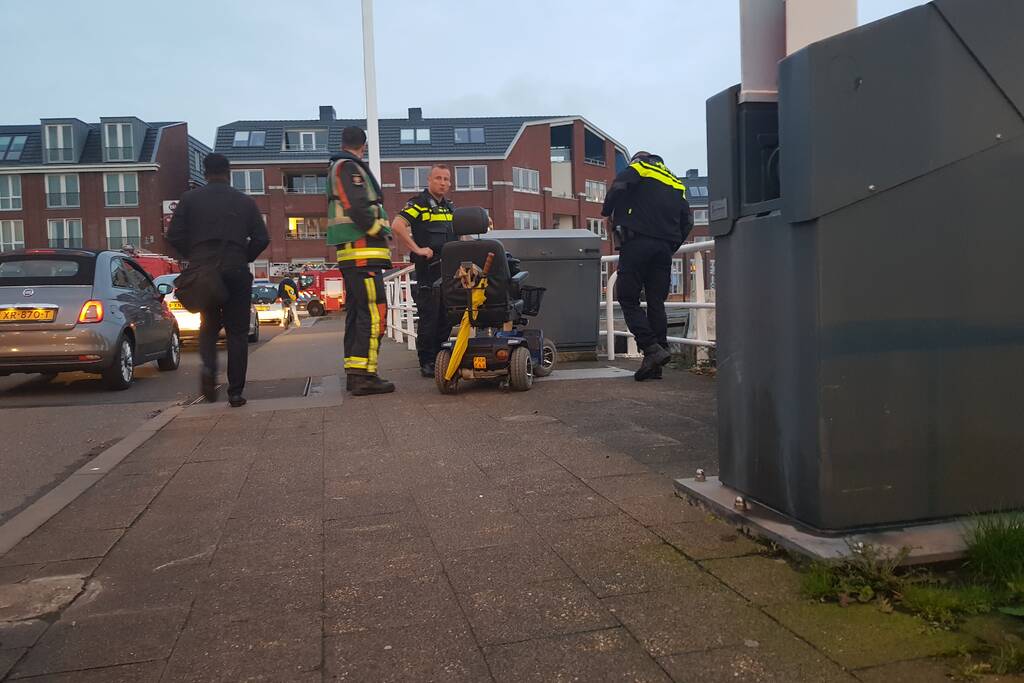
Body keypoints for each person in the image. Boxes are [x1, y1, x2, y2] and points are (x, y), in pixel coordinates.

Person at [167, 153, 269, 406]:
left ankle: (209, 372)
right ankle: (235, 392)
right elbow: (262, 238)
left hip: (204, 271)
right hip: (235, 269)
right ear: (229, 172)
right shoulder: (245, 202)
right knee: (237, 333)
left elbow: (173, 235)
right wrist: (242, 256)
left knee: (208, 325)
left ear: (205, 172)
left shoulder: (190, 199)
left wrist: (196, 255)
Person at [602, 151, 692, 381]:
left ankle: (651, 348)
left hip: (637, 243)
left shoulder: (640, 168)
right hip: (663, 249)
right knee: (656, 303)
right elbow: (688, 221)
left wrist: (606, 214)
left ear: (637, 159)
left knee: (627, 298)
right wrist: (671, 244)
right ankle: (655, 364)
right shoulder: (675, 181)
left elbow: (618, 186)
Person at [327, 126, 395, 396]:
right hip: (362, 254)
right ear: (363, 146)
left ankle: (356, 372)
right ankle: (365, 375)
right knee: (373, 313)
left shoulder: (339, 166)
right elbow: (357, 206)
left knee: (358, 314)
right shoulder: (348, 168)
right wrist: (378, 229)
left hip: (356, 257)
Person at [390, 165, 456, 376]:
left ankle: (440, 359)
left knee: (447, 317)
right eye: (438, 178)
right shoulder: (418, 204)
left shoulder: (449, 207)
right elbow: (397, 225)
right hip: (427, 270)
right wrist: (417, 249)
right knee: (429, 317)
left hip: (448, 271)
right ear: (429, 180)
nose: (443, 182)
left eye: (446, 179)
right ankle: (427, 363)